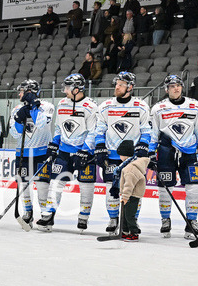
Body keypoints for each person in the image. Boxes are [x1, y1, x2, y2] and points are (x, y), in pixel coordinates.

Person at [149, 74, 198, 239]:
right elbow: (153, 133)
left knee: (195, 187)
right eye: (172, 86)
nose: (176, 88)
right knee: (165, 188)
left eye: (178, 85)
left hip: (189, 152)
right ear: (166, 89)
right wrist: (150, 152)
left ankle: (191, 222)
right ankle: (165, 220)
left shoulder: (194, 105)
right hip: (166, 151)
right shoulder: (158, 108)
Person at [93, 71, 152, 234]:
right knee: (111, 189)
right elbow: (100, 129)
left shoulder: (141, 106)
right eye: (116, 83)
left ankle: (131, 221)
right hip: (112, 155)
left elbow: (147, 129)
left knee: (134, 191)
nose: (117, 86)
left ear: (130, 87)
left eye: (121, 84)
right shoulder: (105, 106)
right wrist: (99, 146)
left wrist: (143, 145)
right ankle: (114, 219)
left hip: (133, 158)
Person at [38, 74, 97, 231]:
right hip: (64, 151)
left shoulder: (90, 106)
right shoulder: (62, 103)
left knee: (86, 186)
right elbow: (58, 127)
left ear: (77, 89)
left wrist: (85, 151)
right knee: (56, 183)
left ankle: (84, 216)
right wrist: (54, 144)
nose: (64, 90)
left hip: (85, 154)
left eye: (67, 87)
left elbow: (93, 132)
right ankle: (48, 215)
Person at [11, 79, 55, 226]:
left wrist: (33, 108)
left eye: (22, 91)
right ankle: (28, 212)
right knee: (23, 184)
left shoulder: (47, 106)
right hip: (22, 153)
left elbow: (41, 124)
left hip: (42, 152)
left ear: (30, 92)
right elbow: (15, 134)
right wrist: (18, 119)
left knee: (42, 185)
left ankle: (45, 214)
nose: (19, 93)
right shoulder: (17, 108)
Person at [111, 139, 150, 241]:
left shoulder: (130, 169)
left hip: (132, 195)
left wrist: (125, 197)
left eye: (120, 155)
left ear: (125, 155)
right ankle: (124, 231)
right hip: (129, 195)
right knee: (124, 214)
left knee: (129, 215)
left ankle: (134, 232)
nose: (119, 157)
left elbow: (129, 185)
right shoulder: (127, 166)